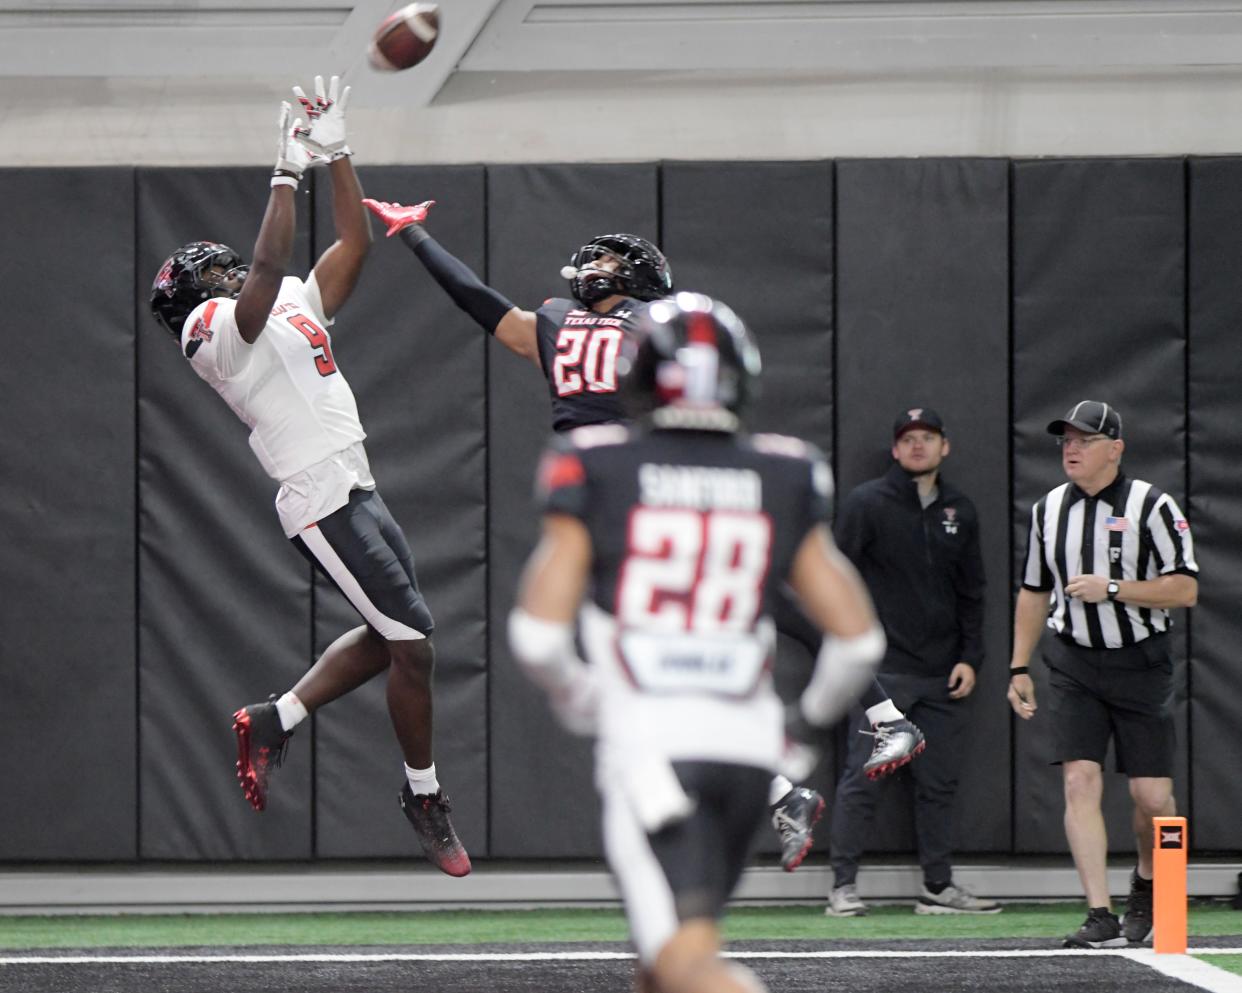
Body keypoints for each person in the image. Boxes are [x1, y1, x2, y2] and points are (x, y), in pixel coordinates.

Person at [360, 197, 925, 870]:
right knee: (677, 649)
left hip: (652, 480)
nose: (589, 266)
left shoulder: (659, 322)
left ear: (630, 272)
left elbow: (712, 376)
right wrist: (417, 236)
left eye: (603, 257)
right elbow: (480, 303)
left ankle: (867, 728)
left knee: (729, 611)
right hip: (621, 491)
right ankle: (796, 778)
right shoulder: (559, 321)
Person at [509, 293, 885, 993]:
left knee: (684, 963)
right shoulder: (785, 469)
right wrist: (799, 725)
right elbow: (859, 642)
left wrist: (580, 694)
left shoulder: (595, 463)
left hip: (653, 754)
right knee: (664, 964)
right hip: (745, 756)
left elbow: (536, 636)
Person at [147, 77, 469, 877]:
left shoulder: (289, 299)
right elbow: (258, 274)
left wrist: (339, 155)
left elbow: (353, 245)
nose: (222, 270)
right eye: (210, 271)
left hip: (355, 479)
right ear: (195, 292)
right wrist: (285, 173)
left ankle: (275, 715)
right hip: (318, 497)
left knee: (393, 633)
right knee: (415, 644)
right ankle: (423, 793)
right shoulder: (209, 330)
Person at [1008, 400, 1198, 948]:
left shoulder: (1152, 505)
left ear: (1115, 449)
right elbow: (1034, 589)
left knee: (1152, 796)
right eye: (1066, 440)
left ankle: (1149, 883)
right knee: (1078, 779)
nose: (1071, 449)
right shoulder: (1048, 509)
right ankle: (1099, 913)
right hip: (1073, 660)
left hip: (1140, 659)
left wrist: (1113, 587)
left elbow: (1185, 588)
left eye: (1085, 440)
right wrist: (1019, 663)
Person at [824, 408, 995, 917]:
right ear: (895, 450)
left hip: (943, 674)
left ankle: (937, 888)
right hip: (884, 673)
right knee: (865, 777)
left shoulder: (960, 511)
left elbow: (973, 592)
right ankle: (842, 887)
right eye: (909, 439)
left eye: (928, 437)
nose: (918, 446)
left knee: (938, 784)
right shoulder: (866, 504)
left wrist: (970, 657)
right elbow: (836, 578)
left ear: (946, 447)